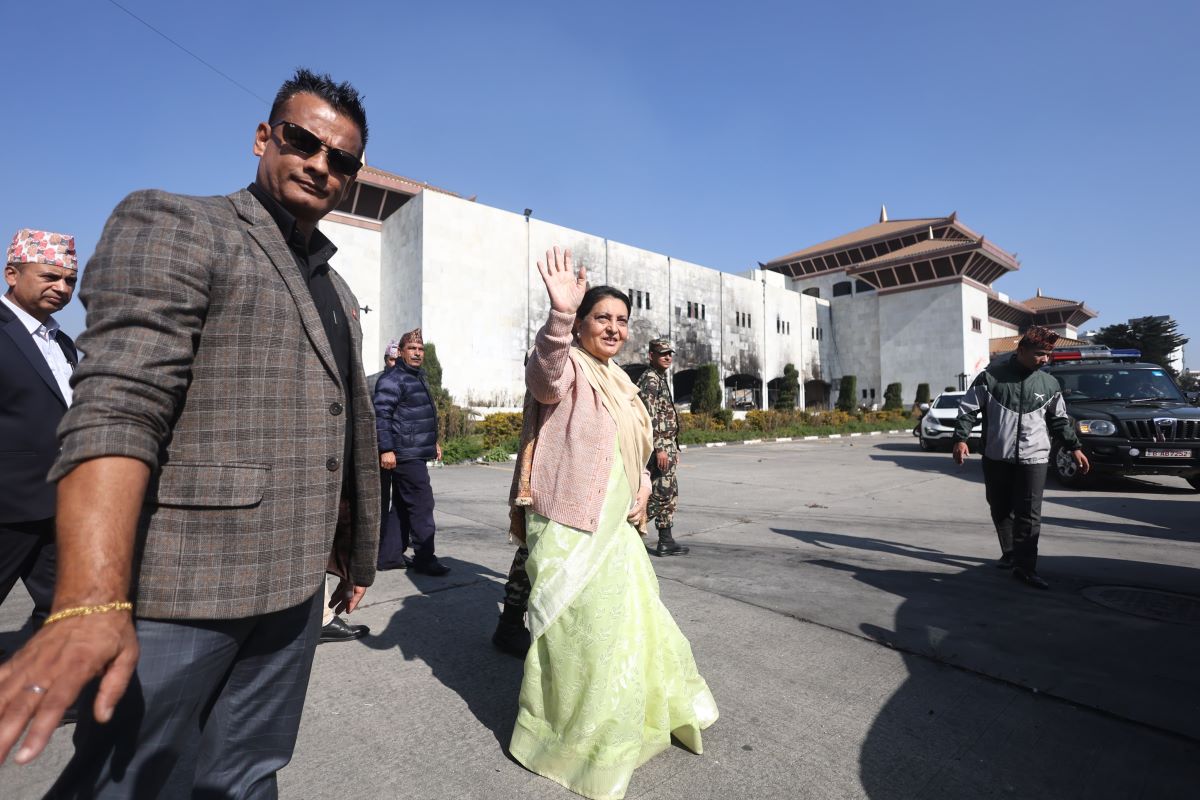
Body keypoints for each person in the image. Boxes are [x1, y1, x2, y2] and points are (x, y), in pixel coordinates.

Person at [0, 69, 380, 796]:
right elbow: (120, 408)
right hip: (188, 588)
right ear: (264, 137)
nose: (321, 164)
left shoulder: (336, 288)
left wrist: (350, 550)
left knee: (248, 773)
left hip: (294, 588)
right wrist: (89, 599)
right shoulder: (180, 224)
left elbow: (333, 423)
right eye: (304, 141)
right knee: (135, 781)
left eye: (342, 160)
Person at [508, 247, 718, 800]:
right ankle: (570, 742)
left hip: (618, 528)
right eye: (602, 317)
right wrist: (557, 315)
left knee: (628, 630)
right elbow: (542, 380)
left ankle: (626, 727)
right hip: (572, 525)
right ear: (581, 324)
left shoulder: (620, 379)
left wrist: (644, 483)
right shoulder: (570, 364)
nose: (614, 328)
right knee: (582, 638)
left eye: (622, 321)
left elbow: (635, 444)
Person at [953, 325, 1089, 590]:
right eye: (1039, 354)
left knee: (1029, 514)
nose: (1044, 360)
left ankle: (1026, 568)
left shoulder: (1049, 384)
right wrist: (960, 438)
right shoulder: (990, 378)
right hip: (996, 456)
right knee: (1000, 507)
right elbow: (968, 410)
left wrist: (1074, 447)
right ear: (1021, 350)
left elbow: (1059, 420)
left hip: (1035, 457)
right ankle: (1010, 552)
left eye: (1047, 355)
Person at [0, 230, 79, 628]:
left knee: (69, 609)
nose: (62, 288)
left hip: (57, 504)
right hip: (8, 507)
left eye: (70, 281)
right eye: (50, 276)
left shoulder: (62, 341)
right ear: (12, 274)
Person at [375, 327, 450, 575]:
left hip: (414, 450)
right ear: (401, 351)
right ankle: (425, 557)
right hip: (403, 453)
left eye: (420, 349)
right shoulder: (393, 379)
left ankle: (388, 557)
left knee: (402, 504)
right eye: (412, 349)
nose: (417, 353)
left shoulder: (417, 376)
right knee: (422, 503)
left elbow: (417, 416)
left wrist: (433, 443)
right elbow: (381, 416)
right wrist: (386, 449)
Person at [636, 338, 689, 556]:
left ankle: (665, 540)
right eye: (662, 353)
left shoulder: (659, 378)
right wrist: (659, 448)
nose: (667, 357)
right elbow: (647, 416)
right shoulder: (650, 380)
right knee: (660, 493)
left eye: (669, 353)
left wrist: (673, 447)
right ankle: (629, 529)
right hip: (659, 447)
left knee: (670, 491)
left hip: (668, 446)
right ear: (651, 356)